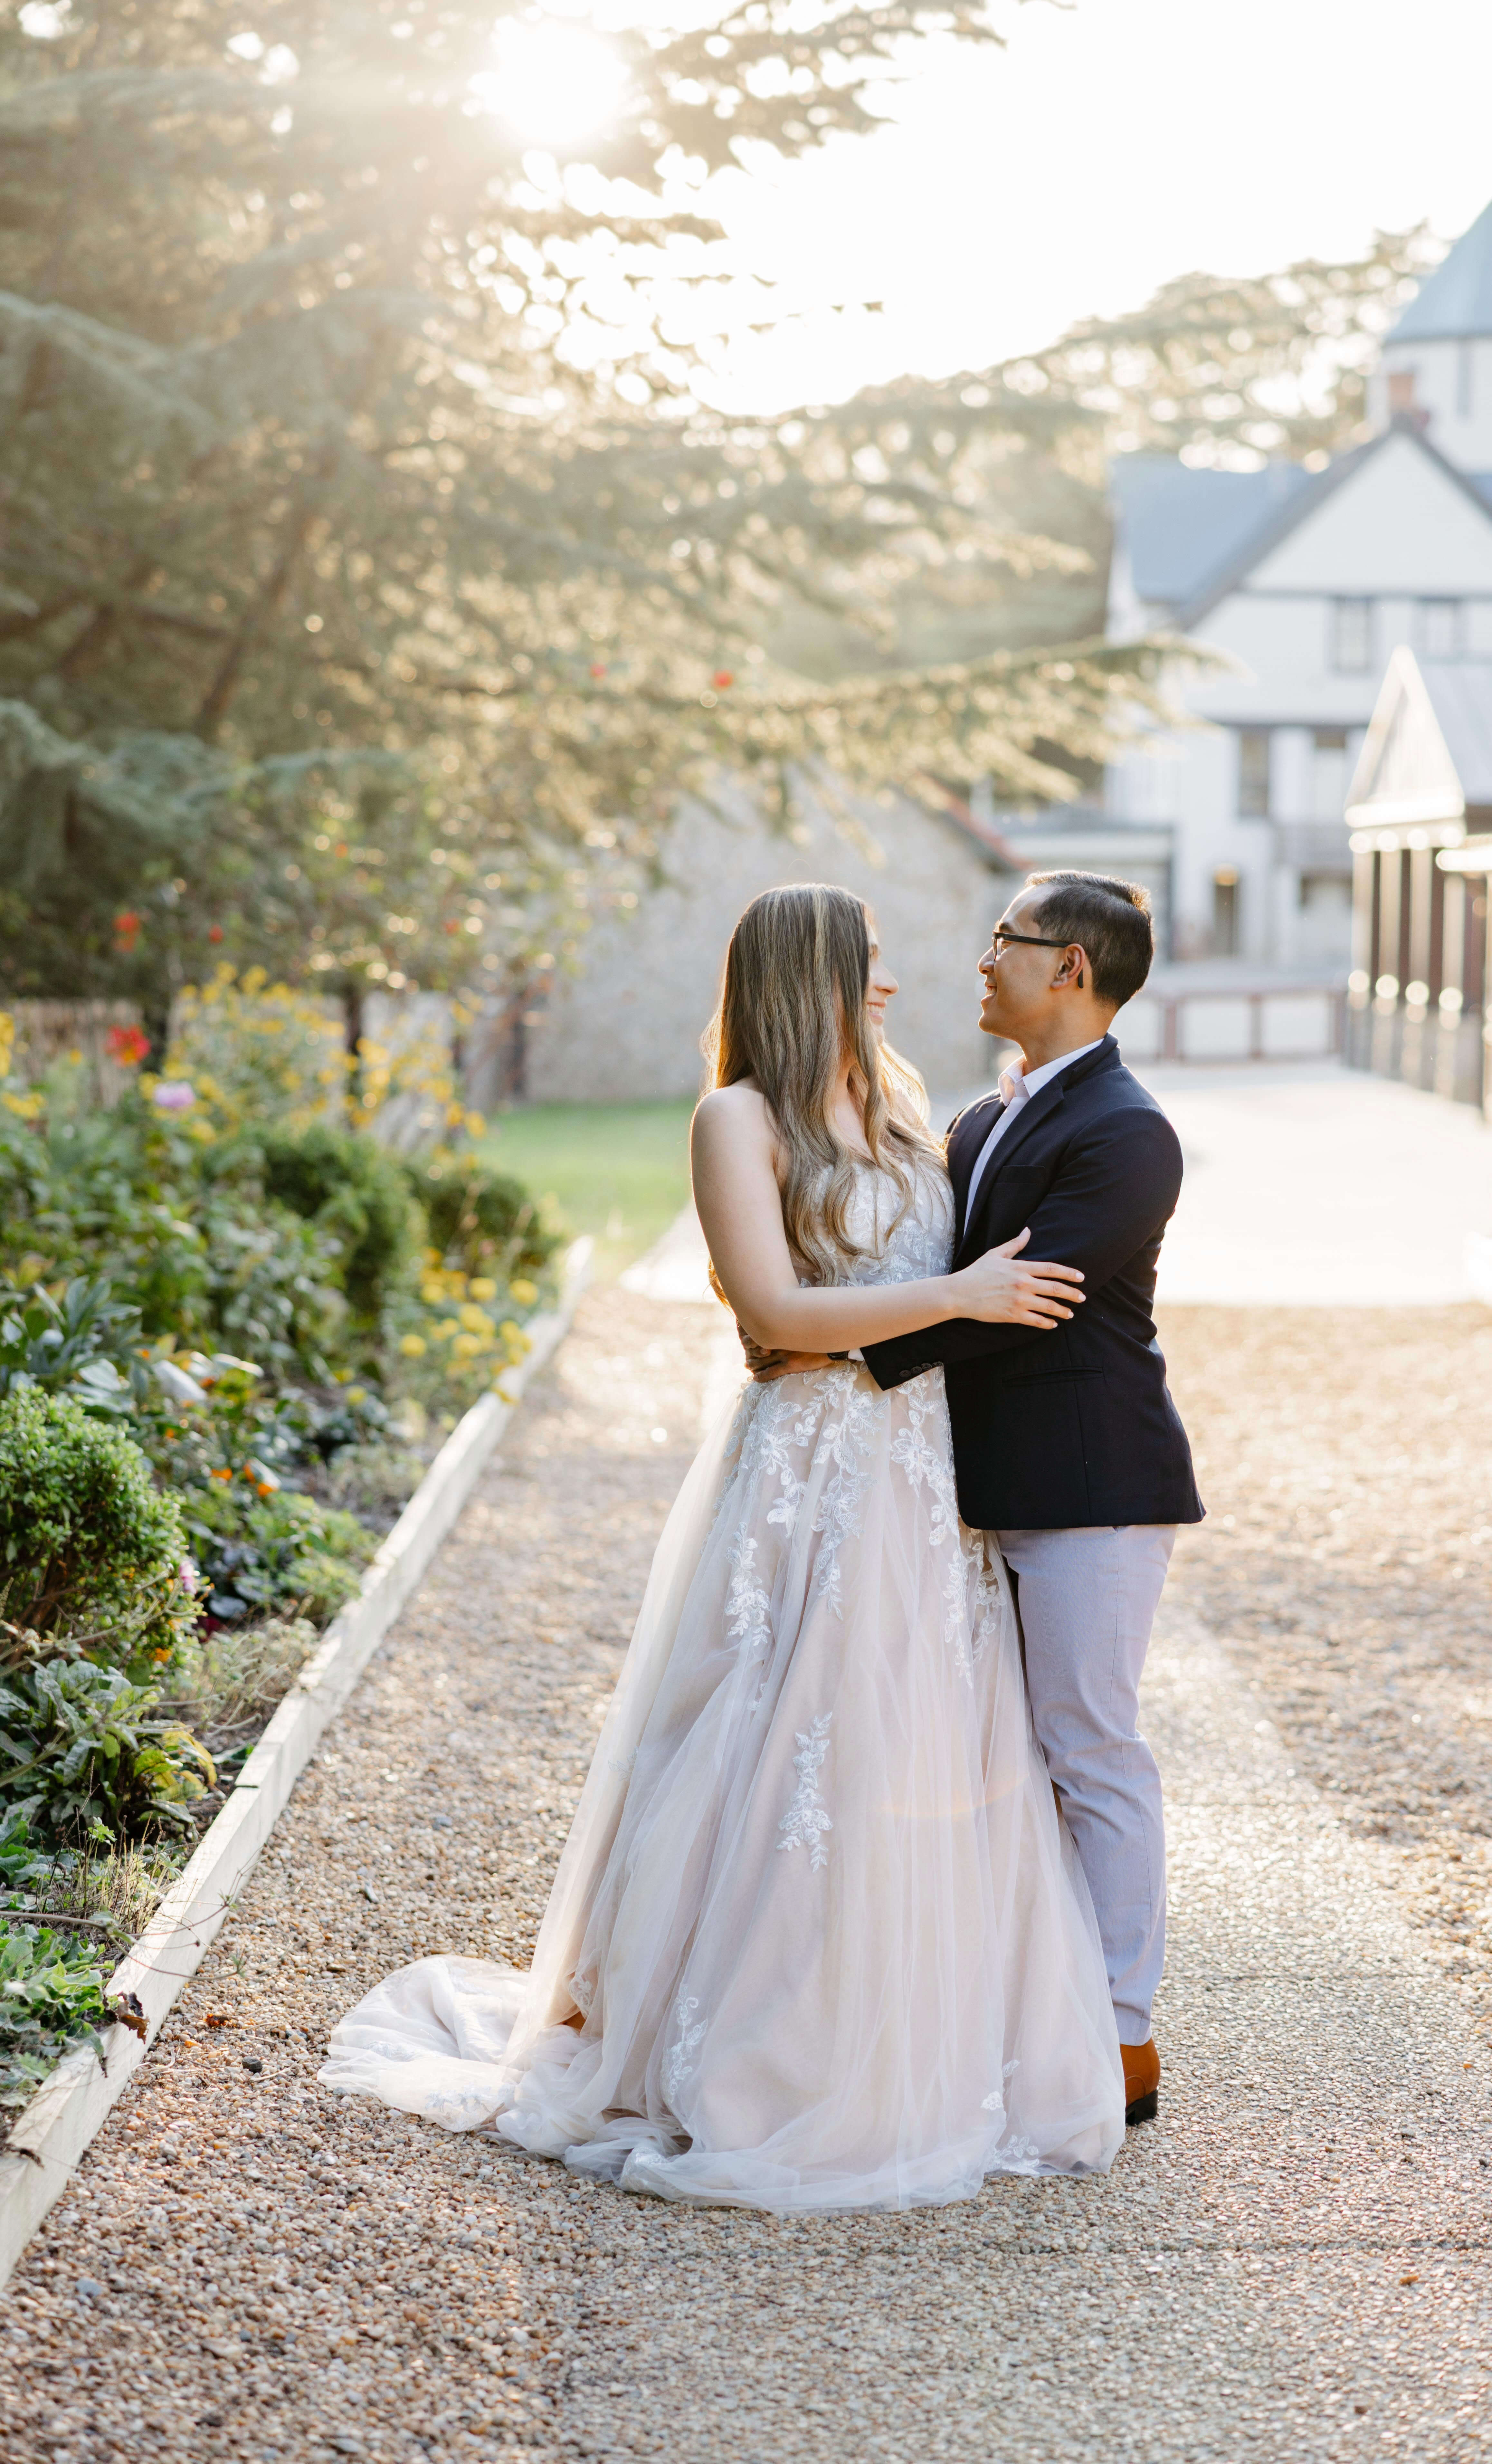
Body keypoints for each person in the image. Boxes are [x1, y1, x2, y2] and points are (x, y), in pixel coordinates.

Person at [321, 882, 1129, 2212]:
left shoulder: (900, 1104)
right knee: (787, 1736)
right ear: (807, 976)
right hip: (808, 1473)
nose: (889, 983)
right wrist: (962, 1295)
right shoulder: (735, 1120)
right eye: (867, 963)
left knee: (923, 1737)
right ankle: (762, 2047)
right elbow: (773, 1312)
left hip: (920, 1476)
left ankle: (926, 2033)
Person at [754, 871, 1204, 2124]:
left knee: (1088, 1747)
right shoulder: (976, 1114)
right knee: (991, 1755)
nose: (981, 958)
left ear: (1069, 968)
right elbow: (942, 1266)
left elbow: (1022, 1300)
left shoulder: (1126, 1132)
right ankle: (1010, 2006)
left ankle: (1120, 2033)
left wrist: (819, 1350)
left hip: (1088, 1486)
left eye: (1005, 938)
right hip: (958, 1486)